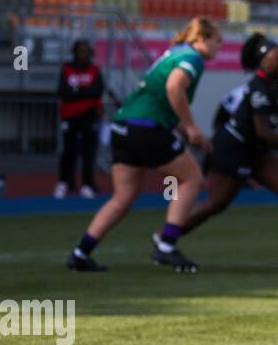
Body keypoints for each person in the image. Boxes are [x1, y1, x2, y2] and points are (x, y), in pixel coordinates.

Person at [66, 17, 222, 273]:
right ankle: (166, 245)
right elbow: (174, 88)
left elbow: (163, 99)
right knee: (192, 179)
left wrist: (189, 130)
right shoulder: (193, 57)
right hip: (146, 128)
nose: (220, 46)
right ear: (201, 40)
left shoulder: (174, 52)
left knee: (123, 196)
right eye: (217, 41)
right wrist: (192, 127)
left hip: (124, 126)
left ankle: (81, 252)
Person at [179, 33, 278, 265]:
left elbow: (267, 125)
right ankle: (168, 236)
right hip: (234, 150)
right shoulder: (259, 89)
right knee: (216, 204)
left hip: (256, 149)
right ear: (264, 62)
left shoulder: (274, 87)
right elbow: (262, 130)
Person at [55, 39, 105, 199]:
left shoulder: (94, 70)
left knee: (88, 151)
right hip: (70, 115)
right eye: (80, 51)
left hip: (89, 115)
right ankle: (64, 183)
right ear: (75, 52)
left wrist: (77, 90)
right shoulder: (67, 68)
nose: (83, 54)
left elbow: (97, 91)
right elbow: (64, 91)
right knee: (69, 150)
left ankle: (87, 184)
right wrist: (84, 91)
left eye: (86, 51)